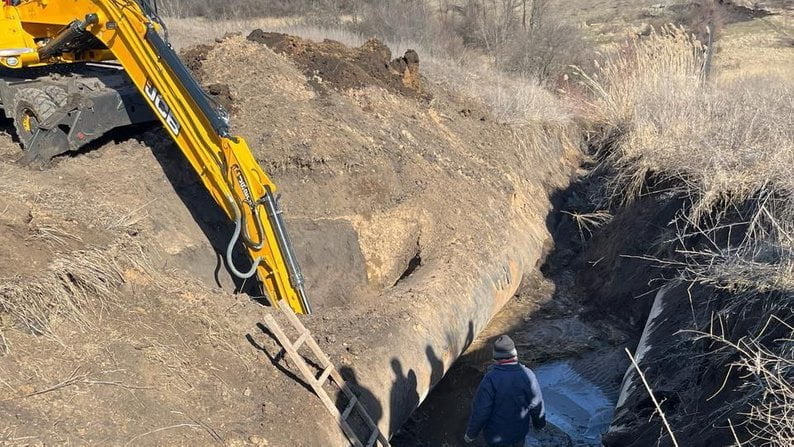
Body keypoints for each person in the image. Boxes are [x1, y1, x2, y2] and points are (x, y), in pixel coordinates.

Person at [464, 334, 546, 446]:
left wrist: (471, 434)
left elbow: (481, 411)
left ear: (496, 358)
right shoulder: (528, 375)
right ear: (515, 355)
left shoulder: (490, 379)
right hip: (519, 434)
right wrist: (539, 425)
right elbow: (536, 404)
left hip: (495, 437)